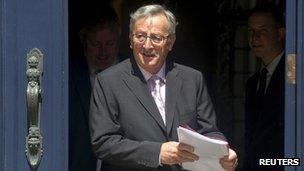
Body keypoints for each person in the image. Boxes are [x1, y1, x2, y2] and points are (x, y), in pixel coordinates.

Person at [89, 4, 237, 171]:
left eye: (156, 38)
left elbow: (209, 131)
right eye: (140, 36)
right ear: (130, 40)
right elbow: (103, 143)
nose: (147, 45)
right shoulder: (108, 81)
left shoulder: (192, 79)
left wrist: (224, 153)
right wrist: (157, 153)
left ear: (170, 42)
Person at [69, 6, 121, 171]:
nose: (103, 52)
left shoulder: (136, 75)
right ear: (83, 40)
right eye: (95, 44)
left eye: (110, 44)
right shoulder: (68, 76)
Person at [245, 2, 285, 171]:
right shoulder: (253, 82)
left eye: (263, 31)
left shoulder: (294, 75)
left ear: (280, 33)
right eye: (251, 32)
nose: (254, 38)